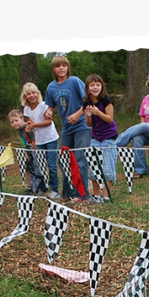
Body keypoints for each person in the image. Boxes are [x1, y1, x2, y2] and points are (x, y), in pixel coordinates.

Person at [44, 56, 91, 201]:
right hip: (66, 128)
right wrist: (49, 111)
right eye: (58, 66)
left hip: (82, 125)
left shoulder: (75, 81)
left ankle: (81, 195)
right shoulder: (51, 87)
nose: (61, 68)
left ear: (68, 67)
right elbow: (51, 104)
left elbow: (88, 99)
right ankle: (67, 193)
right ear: (54, 69)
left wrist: (78, 114)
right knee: (63, 160)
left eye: (64, 65)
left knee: (79, 159)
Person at [82, 73, 118, 203]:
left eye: (98, 84)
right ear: (87, 88)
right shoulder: (86, 102)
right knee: (94, 166)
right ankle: (96, 195)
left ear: (102, 86)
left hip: (109, 137)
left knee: (108, 167)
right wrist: (88, 116)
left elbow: (109, 119)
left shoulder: (106, 100)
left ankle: (106, 196)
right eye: (92, 85)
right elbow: (89, 124)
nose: (95, 87)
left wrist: (98, 112)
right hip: (96, 137)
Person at [22, 82, 61, 199]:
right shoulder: (27, 109)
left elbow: (48, 121)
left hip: (50, 138)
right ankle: (42, 188)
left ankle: (55, 189)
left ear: (38, 94)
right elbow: (31, 121)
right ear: (25, 96)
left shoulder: (44, 105)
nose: (32, 95)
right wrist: (30, 125)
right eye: (29, 94)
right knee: (40, 165)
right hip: (39, 139)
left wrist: (34, 125)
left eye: (34, 93)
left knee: (52, 165)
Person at [8, 108, 48, 196]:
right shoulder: (18, 130)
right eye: (12, 122)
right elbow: (23, 141)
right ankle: (30, 187)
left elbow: (34, 141)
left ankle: (42, 187)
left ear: (22, 119)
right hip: (28, 149)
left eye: (16, 120)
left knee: (37, 169)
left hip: (34, 149)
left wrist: (34, 153)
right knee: (28, 168)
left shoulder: (27, 128)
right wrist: (26, 152)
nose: (14, 123)